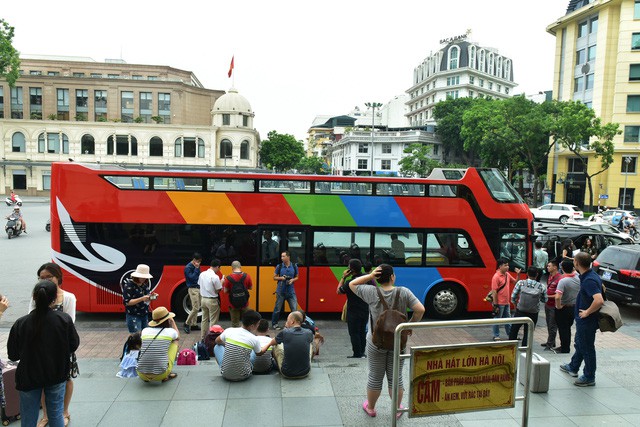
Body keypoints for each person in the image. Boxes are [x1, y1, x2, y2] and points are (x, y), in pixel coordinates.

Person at [348, 264, 425, 419]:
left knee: (375, 376)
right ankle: (397, 408)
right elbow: (420, 309)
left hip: (376, 342)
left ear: (377, 277)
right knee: (396, 377)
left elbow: (351, 284)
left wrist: (370, 277)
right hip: (398, 342)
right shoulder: (404, 292)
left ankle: (370, 408)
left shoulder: (370, 292)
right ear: (392, 277)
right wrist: (409, 326)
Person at [8, 280, 80, 427]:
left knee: (28, 418)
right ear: (54, 299)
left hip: (28, 376)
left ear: (34, 297)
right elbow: (73, 344)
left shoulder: (21, 323)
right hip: (56, 373)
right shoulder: (63, 319)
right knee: (56, 414)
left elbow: (13, 355)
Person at [30, 263, 77, 427]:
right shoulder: (36, 297)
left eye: (49, 277)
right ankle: (46, 415)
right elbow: (31, 318)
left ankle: (65, 412)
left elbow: (70, 323)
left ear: (58, 278)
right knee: (44, 381)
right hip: (41, 348)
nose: (45, 280)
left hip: (62, 347)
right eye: (42, 278)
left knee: (66, 379)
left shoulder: (69, 298)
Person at [560, 252, 604, 386]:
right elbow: (602, 288)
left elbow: (599, 300)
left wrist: (587, 312)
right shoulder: (590, 275)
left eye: (574, 260)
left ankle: (589, 376)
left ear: (576, 263)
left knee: (587, 347)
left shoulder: (589, 280)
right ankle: (573, 366)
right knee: (580, 343)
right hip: (583, 320)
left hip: (587, 321)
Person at [214, 310, 263, 381]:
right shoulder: (254, 339)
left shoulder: (229, 330)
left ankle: (224, 367)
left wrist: (228, 345)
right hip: (244, 375)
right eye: (258, 324)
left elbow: (217, 341)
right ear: (252, 326)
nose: (259, 325)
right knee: (254, 349)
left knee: (217, 347)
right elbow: (259, 353)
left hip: (225, 375)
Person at [262, 311, 313, 379]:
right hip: (305, 372)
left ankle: (276, 366)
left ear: (292, 322)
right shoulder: (308, 332)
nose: (286, 322)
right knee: (310, 346)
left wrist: (266, 347)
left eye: (287, 320)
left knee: (276, 345)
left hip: (287, 373)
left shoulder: (285, 332)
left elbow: (272, 342)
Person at [337, 258, 370, 358]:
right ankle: (362, 352)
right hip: (365, 309)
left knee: (354, 333)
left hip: (353, 311)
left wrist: (343, 277)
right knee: (362, 332)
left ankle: (357, 354)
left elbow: (338, 291)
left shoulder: (349, 283)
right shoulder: (366, 279)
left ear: (351, 270)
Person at [137, 306, 180, 382]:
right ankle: (167, 373)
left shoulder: (145, 331)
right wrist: (173, 322)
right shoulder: (170, 332)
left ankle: (147, 374)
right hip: (161, 375)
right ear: (167, 320)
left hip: (141, 374)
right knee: (175, 341)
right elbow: (178, 336)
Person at [508, 266, 547, 347]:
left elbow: (513, 297)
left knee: (514, 330)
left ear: (527, 274)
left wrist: (516, 305)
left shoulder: (521, 283)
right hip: (533, 313)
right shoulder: (541, 286)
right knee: (528, 332)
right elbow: (545, 300)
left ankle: (511, 347)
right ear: (537, 275)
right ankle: (525, 350)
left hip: (520, 311)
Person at [490, 259, 522, 341]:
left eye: (507, 265)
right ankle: (496, 335)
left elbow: (515, 282)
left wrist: (518, 275)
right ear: (500, 266)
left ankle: (511, 335)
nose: (507, 267)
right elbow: (494, 292)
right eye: (505, 265)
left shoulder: (507, 274)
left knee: (508, 320)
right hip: (499, 303)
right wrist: (495, 304)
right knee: (497, 320)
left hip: (506, 302)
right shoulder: (496, 277)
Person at [554, 259, 580, 354]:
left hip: (563, 308)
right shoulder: (578, 277)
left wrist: (558, 306)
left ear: (562, 269)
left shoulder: (563, 281)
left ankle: (565, 348)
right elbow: (575, 272)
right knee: (567, 328)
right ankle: (565, 346)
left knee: (563, 329)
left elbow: (557, 297)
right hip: (573, 307)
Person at [122, 264, 156, 333]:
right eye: (141, 277)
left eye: (145, 277)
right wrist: (141, 299)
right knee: (136, 337)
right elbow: (127, 302)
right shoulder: (129, 286)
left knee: (145, 335)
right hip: (133, 316)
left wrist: (152, 296)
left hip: (144, 314)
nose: (143, 279)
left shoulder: (143, 285)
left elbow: (146, 297)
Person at [271, 251, 299, 330]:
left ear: (288, 257)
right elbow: (274, 277)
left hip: (291, 291)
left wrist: (292, 280)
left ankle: (295, 324)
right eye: (281, 256)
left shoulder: (294, 266)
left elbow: (297, 277)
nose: (282, 258)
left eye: (283, 256)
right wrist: (281, 278)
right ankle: (274, 324)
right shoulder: (279, 266)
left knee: (294, 309)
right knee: (277, 309)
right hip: (281, 291)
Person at [223, 261, 253, 327]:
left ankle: (236, 337)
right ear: (240, 267)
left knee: (235, 324)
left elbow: (225, 291)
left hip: (233, 304)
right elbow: (251, 287)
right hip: (244, 303)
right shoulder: (247, 276)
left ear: (232, 268)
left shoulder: (228, 278)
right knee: (247, 323)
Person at [198, 258, 223, 341]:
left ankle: (203, 337)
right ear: (217, 267)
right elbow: (218, 290)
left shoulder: (202, 274)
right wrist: (221, 282)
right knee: (213, 321)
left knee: (204, 319)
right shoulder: (215, 277)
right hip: (212, 300)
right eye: (219, 268)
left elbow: (199, 284)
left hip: (203, 299)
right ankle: (210, 339)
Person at [542, 260, 561, 350]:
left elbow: (559, 295)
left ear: (555, 267)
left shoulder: (559, 279)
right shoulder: (550, 276)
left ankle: (549, 344)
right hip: (547, 304)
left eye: (549, 266)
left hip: (554, 305)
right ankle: (551, 342)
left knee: (552, 325)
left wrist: (547, 296)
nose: (547, 267)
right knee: (549, 324)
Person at [183, 253, 202, 334]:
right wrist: (197, 268)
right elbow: (193, 278)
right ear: (194, 260)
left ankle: (194, 324)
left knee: (196, 307)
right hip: (193, 289)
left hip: (198, 288)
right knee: (196, 308)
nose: (199, 263)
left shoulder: (195, 266)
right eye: (198, 261)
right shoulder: (188, 267)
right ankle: (187, 323)